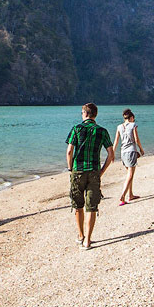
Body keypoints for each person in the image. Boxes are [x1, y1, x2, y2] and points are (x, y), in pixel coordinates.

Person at [65, 102, 114, 250]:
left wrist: (70, 168)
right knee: (91, 207)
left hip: (77, 171)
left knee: (78, 206)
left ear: (85, 114)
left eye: (82, 113)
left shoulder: (76, 128)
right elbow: (111, 154)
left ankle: (81, 236)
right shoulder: (102, 131)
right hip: (93, 171)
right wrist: (101, 171)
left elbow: (69, 152)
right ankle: (88, 241)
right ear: (95, 115)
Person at [112, 108, 144, 205]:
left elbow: (116, 141)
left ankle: (130, 195)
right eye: (133, 118)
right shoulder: (133, 125)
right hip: (131, 151)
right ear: (131, 117)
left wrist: (112, 153)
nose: (134, 120)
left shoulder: (119, 127)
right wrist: (141, 149)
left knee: (130, 174)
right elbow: (136, 138)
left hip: (123, 153)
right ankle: (123, 195)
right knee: (130, 175)